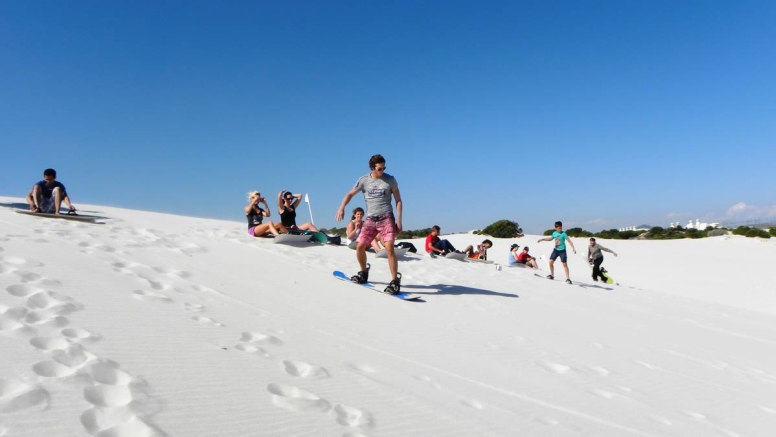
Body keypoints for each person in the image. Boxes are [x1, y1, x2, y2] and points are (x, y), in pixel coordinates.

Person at [335, 154, 403, 294]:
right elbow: (349, 194)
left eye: (384, 168)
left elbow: (398, 200)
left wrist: (399, 221)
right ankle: (363, 272)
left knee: (389, 248)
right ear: (373, 168)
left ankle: (395, 281)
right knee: (360, 246)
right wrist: (341, 208)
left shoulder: (390, 180)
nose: (382, 171)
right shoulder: (364, 180)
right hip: (371, 219)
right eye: (379, 168)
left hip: (386, 217)